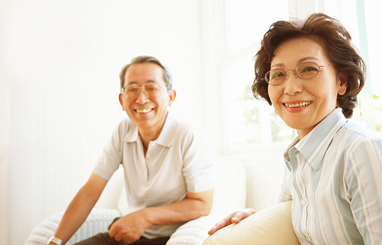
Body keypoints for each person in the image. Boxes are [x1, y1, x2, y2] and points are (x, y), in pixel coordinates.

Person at [208, 13, 382, 244]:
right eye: (278, 74)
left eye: (308, 69)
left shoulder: (361, 150)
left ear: (342, 81)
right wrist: (256, 222)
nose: (290, 88)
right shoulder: (297, 157)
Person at [47, 55, 216, 245]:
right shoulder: (122, 130)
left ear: (170, 96)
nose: (141, 98)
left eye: (151, 88)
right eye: (132, 89)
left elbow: (202, 205)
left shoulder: (189, 134)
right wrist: (56, 241)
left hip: (169, 238)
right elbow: (90, 191)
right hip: (124, 234)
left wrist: (145, 217)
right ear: (122, 99)